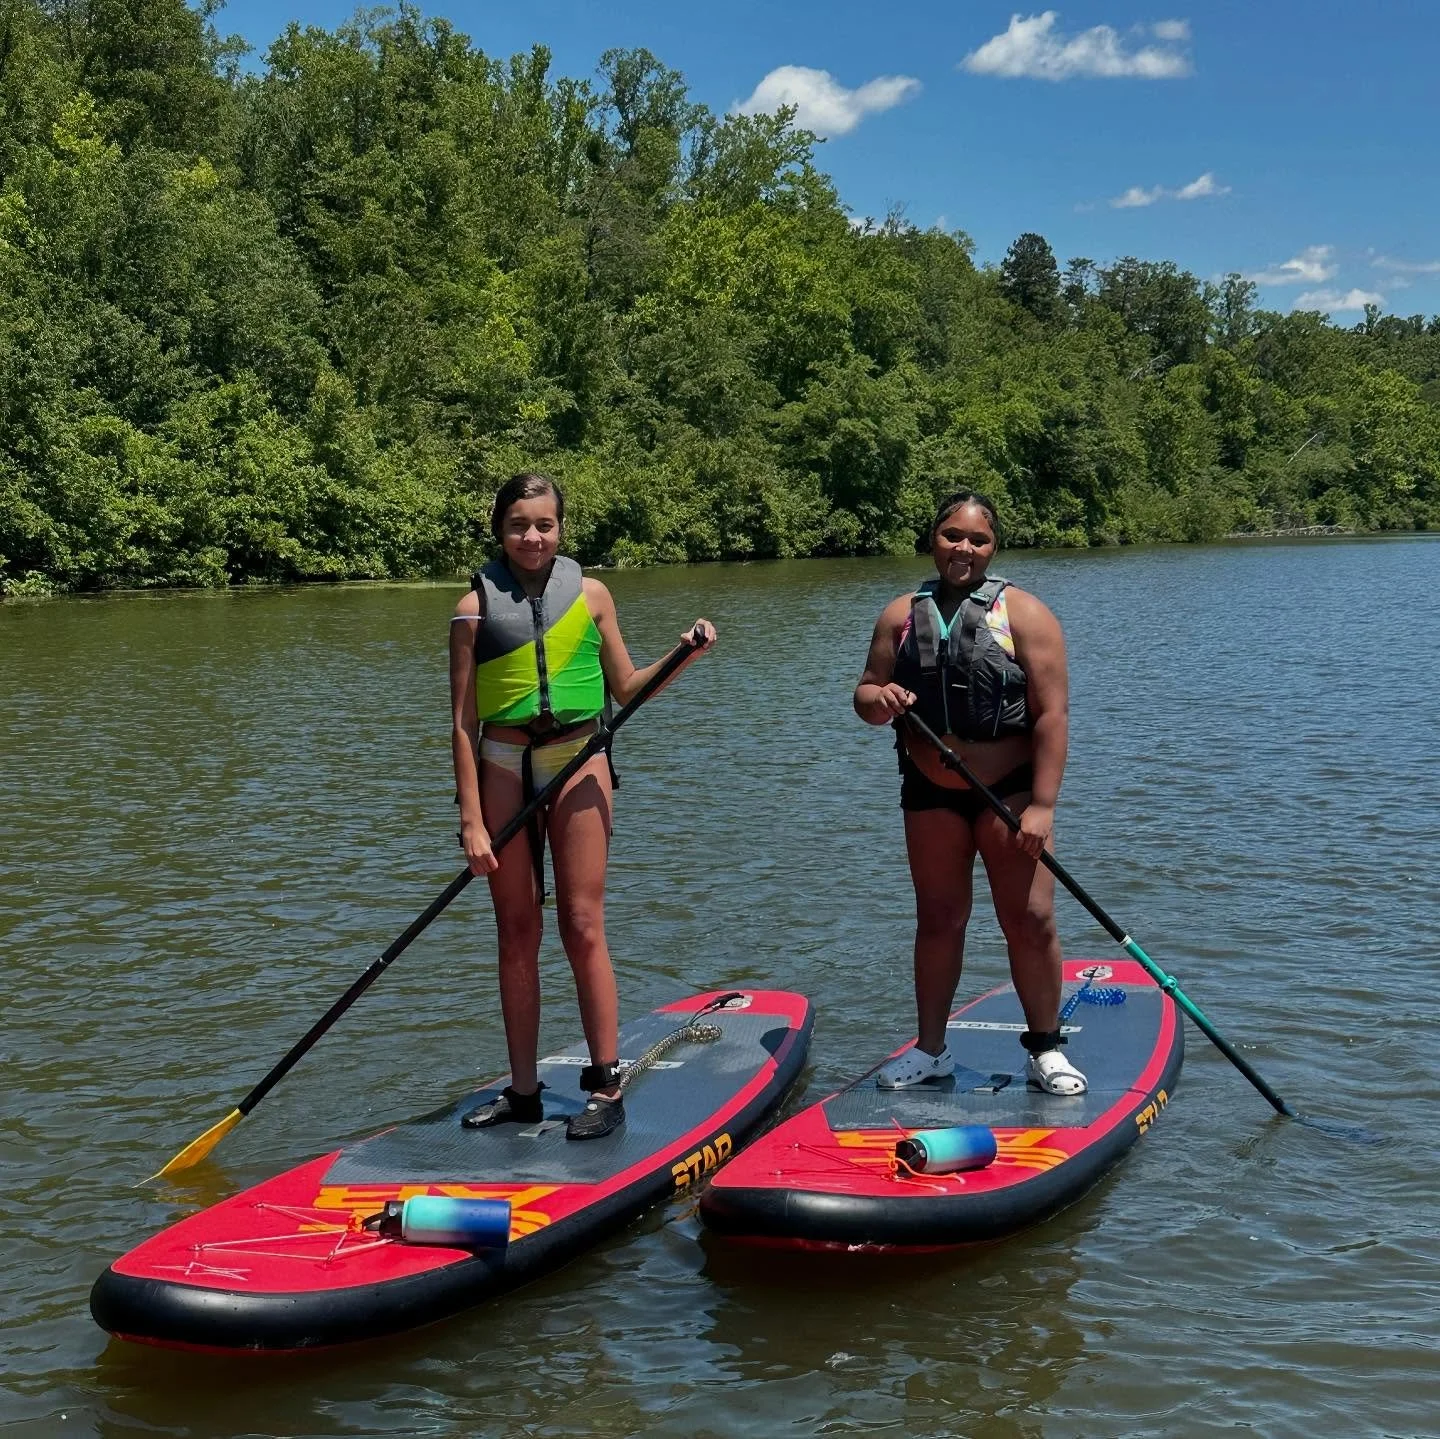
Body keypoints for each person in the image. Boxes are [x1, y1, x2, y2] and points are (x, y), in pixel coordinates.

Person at [449, 472, 715, 1140]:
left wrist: (682, 654)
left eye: (544, 524)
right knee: (516, 930)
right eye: (518, 525)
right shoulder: (471, 608)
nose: (532, 537)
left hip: (578, 758)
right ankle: (523, 1091)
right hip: (503, 763)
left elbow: (627, 687)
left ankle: (604, 1085)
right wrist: (471, 820)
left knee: (582, 923)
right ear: (499, 529)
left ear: (561, 529)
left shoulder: (592, 595)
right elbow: (461, 723)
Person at [852, 489, 1086, 1096]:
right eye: (952, 535)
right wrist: (881, 699)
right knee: (938, 919)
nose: (964, 548)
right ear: (933, 539)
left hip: (1009, 794)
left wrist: (1043, 806)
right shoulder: (900, 615)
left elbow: (1053, 716)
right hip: (929, 791)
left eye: (978, 539)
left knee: (1029, 919)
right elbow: (866, 694)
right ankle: (930, 1050)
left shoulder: (1026, 615)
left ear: (994, 547)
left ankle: (1045, 1049)